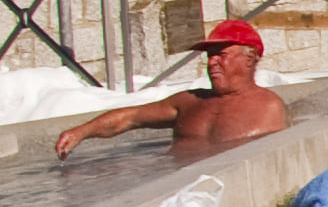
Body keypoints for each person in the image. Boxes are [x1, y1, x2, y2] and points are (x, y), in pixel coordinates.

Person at [50, 17, 291, 160]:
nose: (211, 61)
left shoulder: (268, 106)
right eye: (208, 56)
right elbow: (130, 118)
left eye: (221, 54)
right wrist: (82, 131)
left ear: (250, 59)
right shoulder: (189, 102)